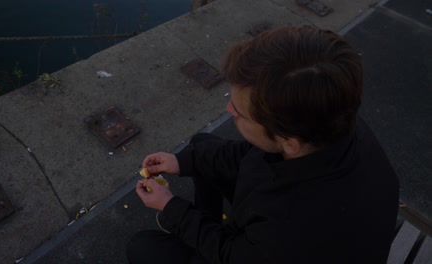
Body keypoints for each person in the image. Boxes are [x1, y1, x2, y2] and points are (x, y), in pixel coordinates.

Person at [126, 25, 399, 263]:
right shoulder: (332, 121)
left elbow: (232, 255)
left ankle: (196, 230)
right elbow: (254, 154)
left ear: (289, 142)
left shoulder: (293, 228)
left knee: (144, 249)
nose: (229, 108)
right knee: (200, 147)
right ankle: (201, 220)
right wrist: (182, 162)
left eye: (240, 112)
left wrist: (172, 209)